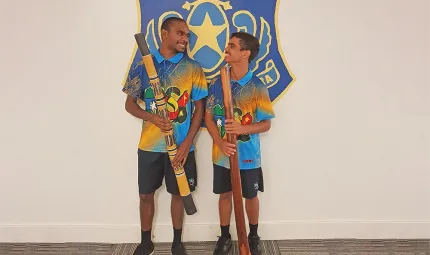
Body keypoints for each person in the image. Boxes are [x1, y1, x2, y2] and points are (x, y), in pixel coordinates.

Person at [122, 17, 208, 255]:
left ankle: (177, 241)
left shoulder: (193, 68)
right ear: (164, 34)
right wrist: (152, 118)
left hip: (181, 147)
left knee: (178, 194)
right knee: (145, 194)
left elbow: (199, 110)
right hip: (150, 145)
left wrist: (187, 144)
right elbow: (130, 105)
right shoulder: (143, 64)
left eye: (187, 35)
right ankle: (145, 240)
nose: (184, 39)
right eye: (180, 33)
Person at [204, 32, 275, 255]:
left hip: (247, 155)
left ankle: (252, 236)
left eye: (232, 46)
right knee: (224, 194)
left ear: (245, 53)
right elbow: (207, 116)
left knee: (250, 196)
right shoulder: (218, 82)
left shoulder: (256, 86)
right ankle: (224, 237)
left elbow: (265, 124)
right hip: (222, 154)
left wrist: (243, 129)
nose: (227, 48)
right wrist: (219, 142)